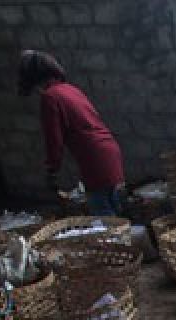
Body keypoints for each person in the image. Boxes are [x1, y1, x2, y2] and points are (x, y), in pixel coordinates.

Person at [17, 50, 125, 216]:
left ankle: (119, 242)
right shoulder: (70, 89)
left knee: (105, 219)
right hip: (109, 151)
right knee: (117, 210)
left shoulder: (50, 97)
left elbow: (54, 140)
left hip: (94, 159)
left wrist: (51, 171)